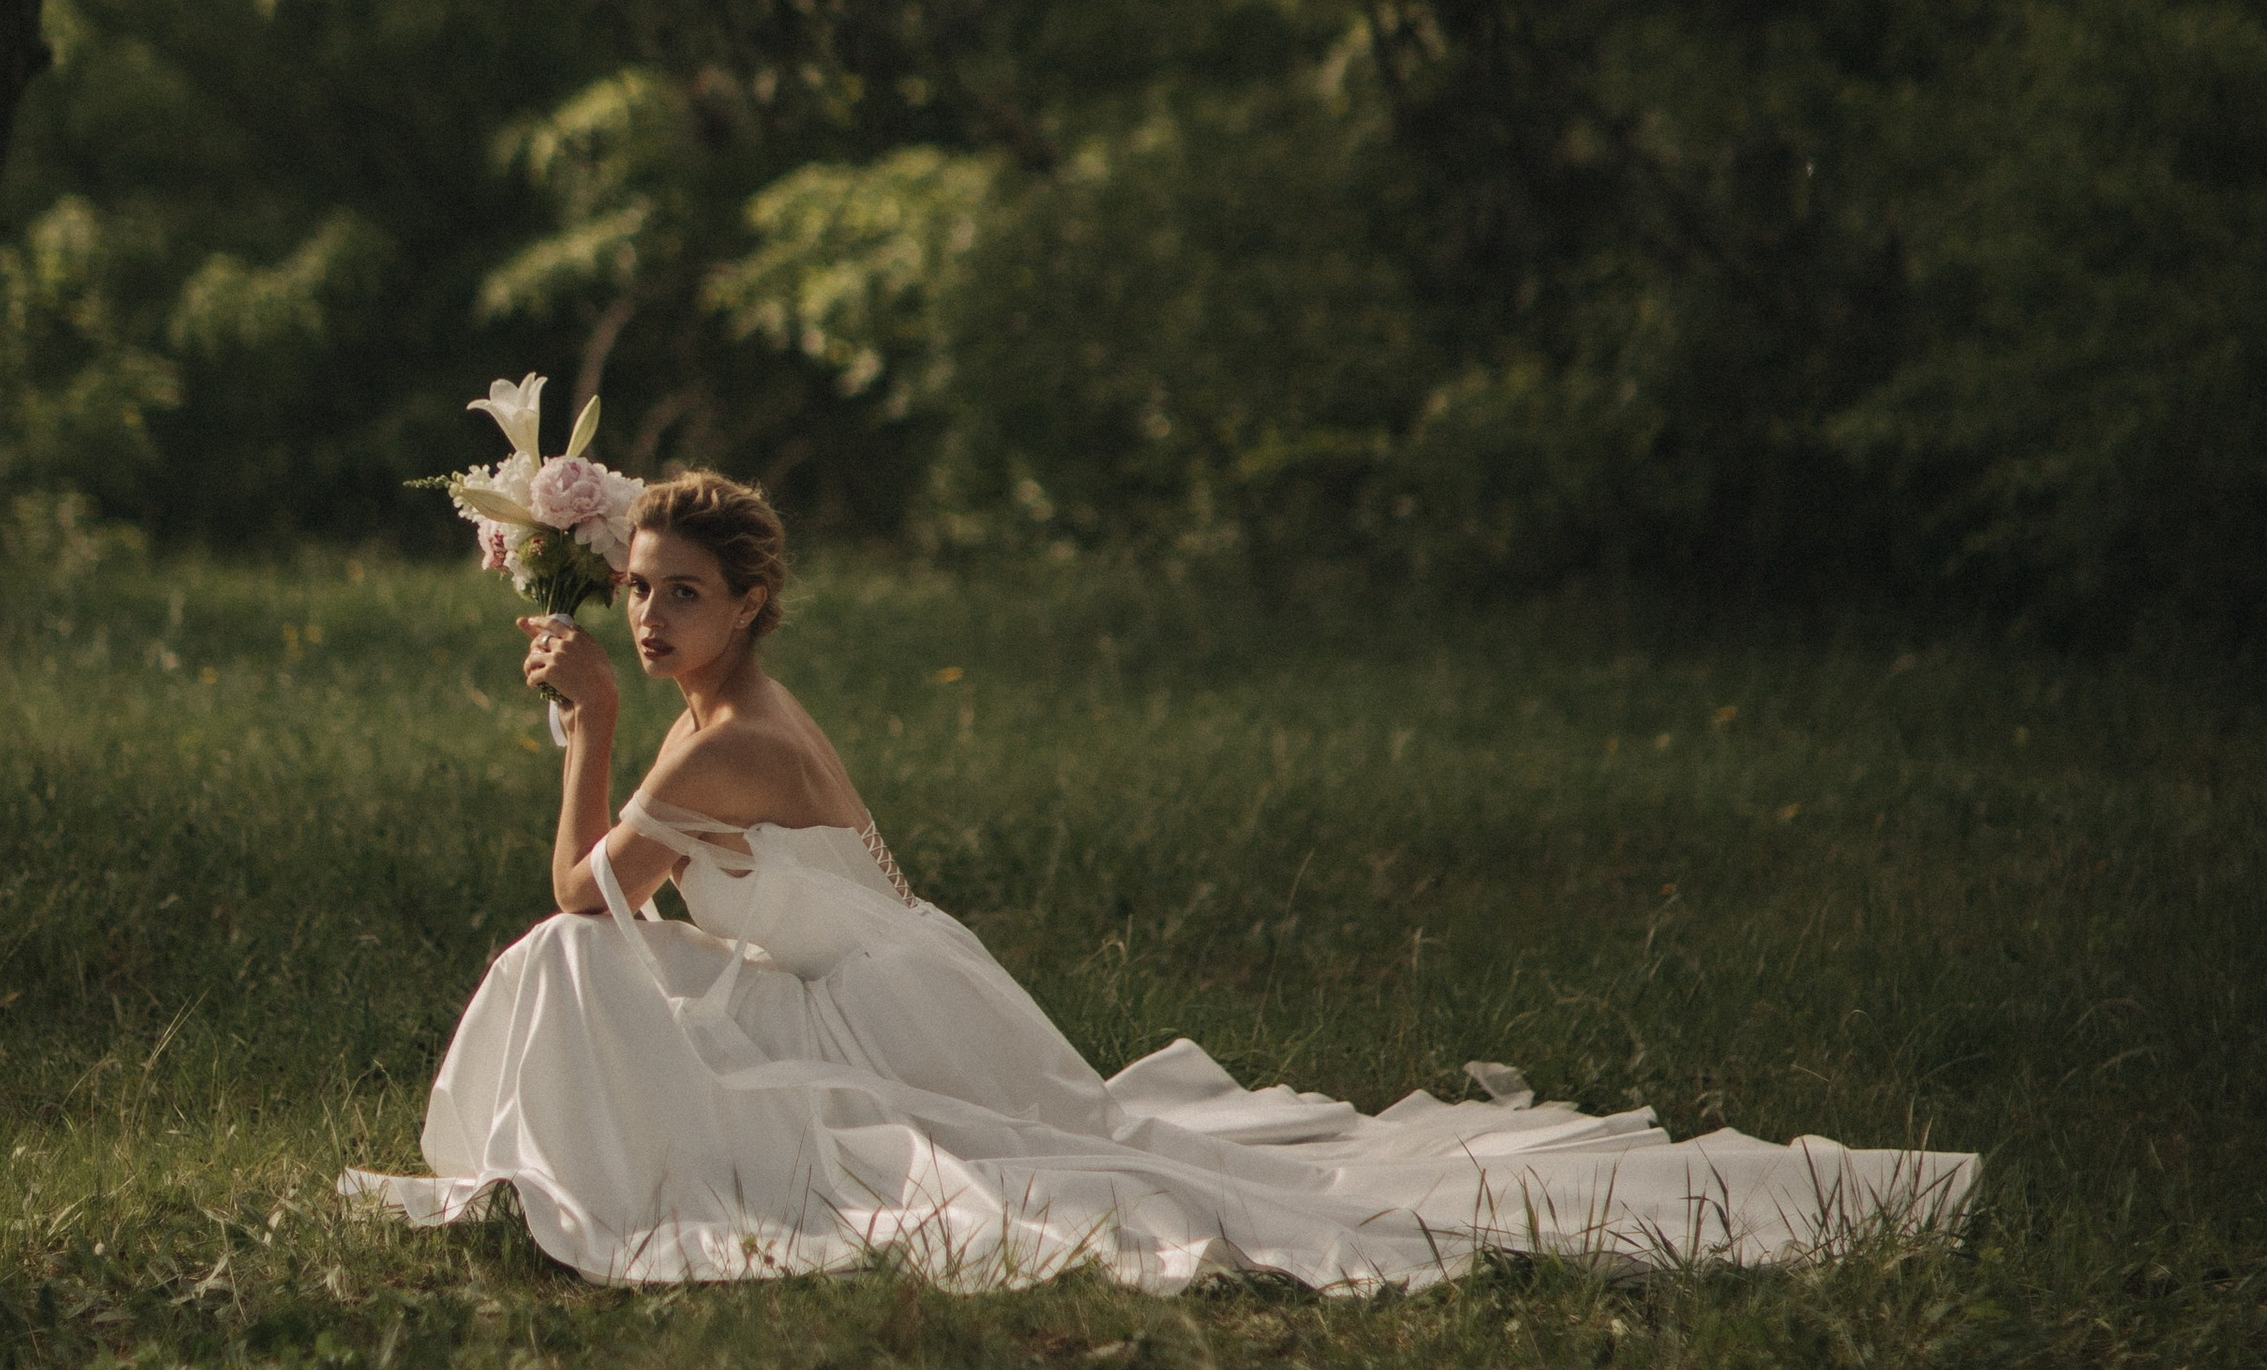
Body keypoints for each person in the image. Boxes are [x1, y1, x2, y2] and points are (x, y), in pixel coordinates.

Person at [342, 470, 1976, 1289]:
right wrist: (629, 703)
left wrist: (590, 728)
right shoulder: (731, 714)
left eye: (679, 596)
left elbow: (580, 898)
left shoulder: (706, 740)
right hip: (903, 978)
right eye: (633, 593)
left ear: (752, 602)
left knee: (572, 969)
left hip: (893, 1017)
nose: (646, 620)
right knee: (644, 988)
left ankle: (590, 1174)